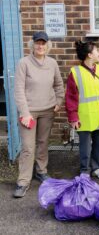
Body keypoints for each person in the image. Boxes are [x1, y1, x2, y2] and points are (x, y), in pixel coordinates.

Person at [13, 31, 64, 198]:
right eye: (38, 43)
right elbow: (19, 90)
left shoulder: (52, 63)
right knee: (28, 147)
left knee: (43, 143)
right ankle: (23, 181)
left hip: (47, 110)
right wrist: (25, 112)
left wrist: (58, 101)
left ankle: (41, 171)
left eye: (43, 43)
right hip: (29, 113)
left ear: (47, 45)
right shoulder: (24, 63)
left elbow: (58, 84)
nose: (40, 46)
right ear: (32, 44)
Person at [65, 40, 99, 179]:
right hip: (84, 117)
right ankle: (85, 169)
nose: (98, 53)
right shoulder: (75, 73)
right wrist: (73, 117)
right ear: (89, 55)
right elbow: (71, 97)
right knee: (85, 146)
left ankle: (97, 167)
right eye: (96, 50)